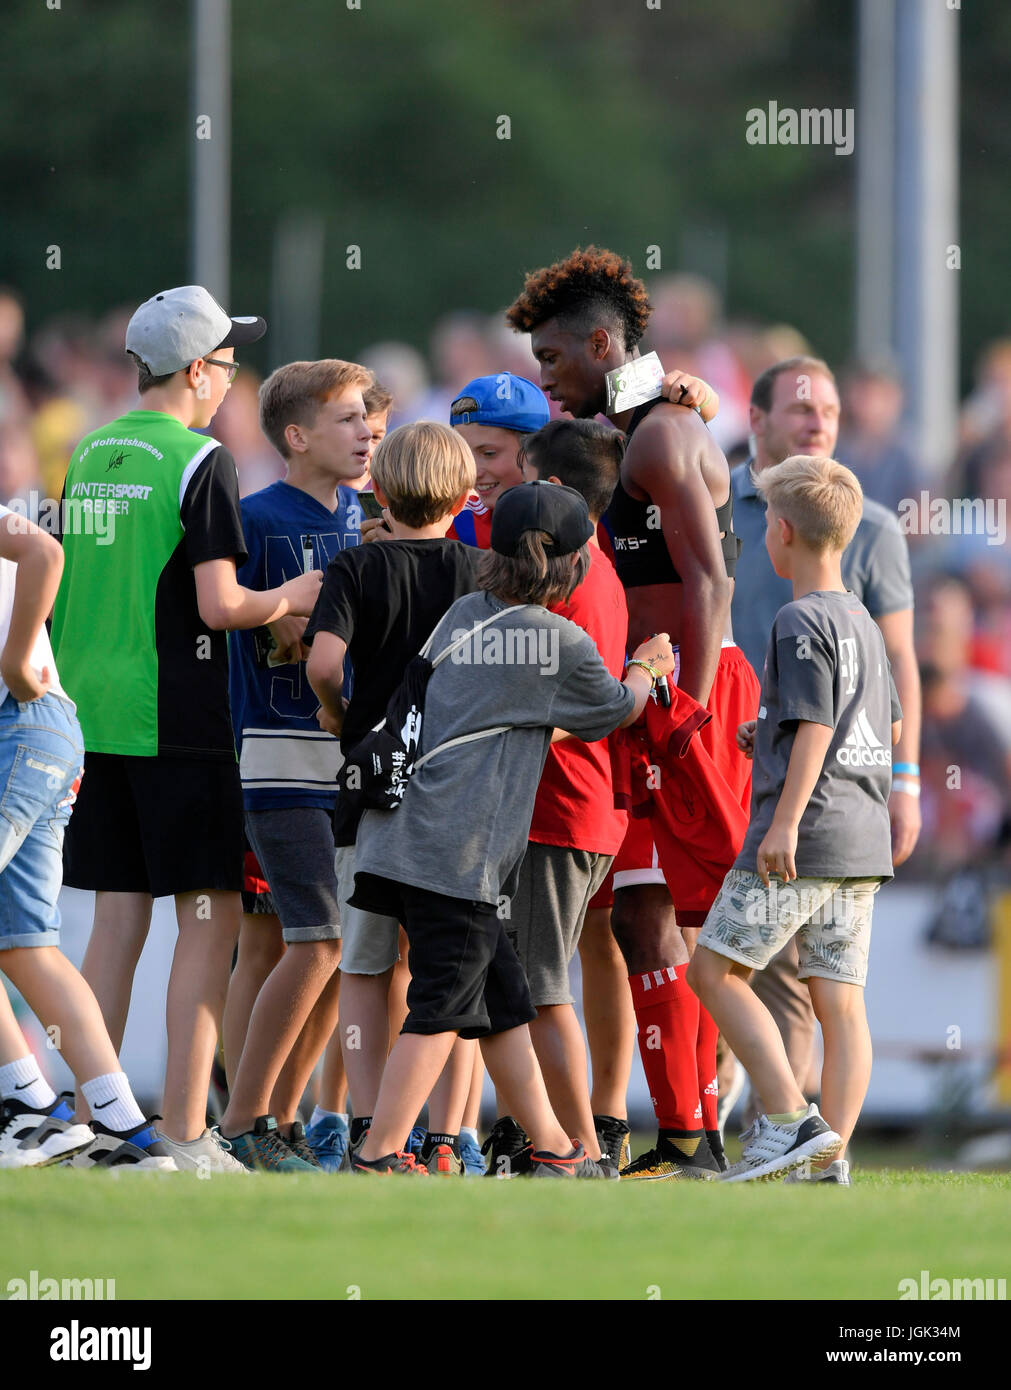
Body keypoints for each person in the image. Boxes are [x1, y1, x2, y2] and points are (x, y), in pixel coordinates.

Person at [49, 286, 321, 1171]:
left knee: (115, 923)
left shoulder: (89, 448)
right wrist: (292, 598)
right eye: (232, 366)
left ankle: (88, 1122)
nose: (234, 383)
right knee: (209, 921)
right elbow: (220, 604)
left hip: (90, 715)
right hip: (179, 717)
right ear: (198, 371)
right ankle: (184, 1134)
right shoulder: (201, 460)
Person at [507, 246, 759, 1180]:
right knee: (642, 918)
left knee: (679, 920)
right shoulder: (641, 424)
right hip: (651, 694)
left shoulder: (657, 433)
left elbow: (709, 578)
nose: (543, 377)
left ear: (600, 344)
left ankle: (720, 1129)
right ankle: (689, 1137)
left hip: (685, 692)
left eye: (551, 358)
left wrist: (687, 709)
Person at [348, 481, 676, 1175]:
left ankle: (555, 1149)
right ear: (569, 564)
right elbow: (617, 709)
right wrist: (648, 666)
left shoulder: (465, 610)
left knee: (500, 1004)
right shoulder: (556, 638)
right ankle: (378, 1154)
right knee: (439, 1005)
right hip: (457, 853)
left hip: (402, 831)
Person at [688, 455, 902, 1183]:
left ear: (780, 531)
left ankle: (788, 1119)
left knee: (713, 969)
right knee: (839, 1001)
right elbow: (875, 725)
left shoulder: (796, 618)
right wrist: (769, 728)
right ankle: (831, 1155)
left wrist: (781, 820)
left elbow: (815, 727)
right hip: (861, 837)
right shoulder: (863, 623)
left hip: (804, 833)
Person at [730, 355, 922, 1137]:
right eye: (801, 409)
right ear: (758, 421)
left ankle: (780, 1129)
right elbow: (882, 696)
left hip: (798, 802)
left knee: (735, 971)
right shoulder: (710, 499)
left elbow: (870, 690)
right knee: (832, 988)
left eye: (830, 413)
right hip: (792, 789)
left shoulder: (865, 531)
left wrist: (903, 779)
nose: (817, 423)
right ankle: (819, 1148)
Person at [305, 421, 483, 1175]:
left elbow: (323, 661)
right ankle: (445, 1134)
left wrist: (340, 715)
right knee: (450, 963)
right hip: (457, 795)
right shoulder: (482, 569)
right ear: (468, 496)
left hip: (371, 789)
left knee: (365, 965)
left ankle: (370, 1122)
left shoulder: (355, 565)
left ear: (376, 488)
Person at [219, 359, 371, 1171]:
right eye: (347, 419)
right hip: (280, 755)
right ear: (297, 436)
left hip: (350, 759)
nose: (366, 432)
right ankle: (240, 1120)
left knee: (337, 948)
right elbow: (244, 625)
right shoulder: (255, 518)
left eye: (368, 419)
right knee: (308, 942)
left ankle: (279, 1119)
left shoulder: (369, 518)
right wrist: (293, 607)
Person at [0, 509, 176, 1171]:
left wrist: (17, 658)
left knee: (24, 945)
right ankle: (124, 1130)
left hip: (19, 726)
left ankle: (28, 1112)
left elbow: (44, 551)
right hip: (39, 732)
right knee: (23, 946)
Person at [477, 418, 630, 1176]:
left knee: (541, 988)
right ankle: (554, 1140)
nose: (515, 486)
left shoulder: (573, 586)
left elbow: (571, 711)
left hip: (557, 811)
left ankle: (581, 1151)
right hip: (576, 810)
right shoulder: (591, 570)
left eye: (530, 477)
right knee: (532, 980)